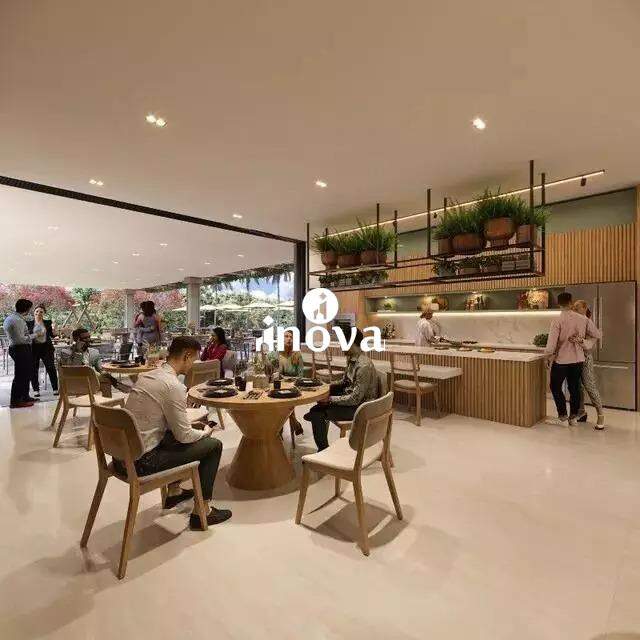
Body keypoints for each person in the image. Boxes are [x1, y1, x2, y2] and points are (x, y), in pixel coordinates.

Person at [123, 336, 231, 528]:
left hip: (122, 456)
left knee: (177, 435)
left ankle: (174, 492)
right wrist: (205, 432)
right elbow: (184, 436)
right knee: (213, 445)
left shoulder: (147, 376)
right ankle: (202, 512)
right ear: (186, 356)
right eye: (194, 359)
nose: (193, 364)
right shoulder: (173, 386)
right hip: (142, 462)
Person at [304, 328, 379, 451]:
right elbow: (345, 382)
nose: (340, 346)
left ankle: (323, 450)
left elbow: (355, 399)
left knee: (317, 413)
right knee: (317, 408)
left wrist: (330, 399)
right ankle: (322, 441)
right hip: (353, 402)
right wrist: (326, 386)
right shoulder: (352, 359)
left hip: (361, 408)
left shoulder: (363, 366)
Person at [544, 292, 601, 426]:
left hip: (561, 360)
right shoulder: (583, 319)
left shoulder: (557, 321)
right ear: (571, 302)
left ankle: (563, 416)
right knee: (574, 388)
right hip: (577, 360)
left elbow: (551, 345)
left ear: (558, 304)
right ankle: (573, 418)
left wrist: (547, 357)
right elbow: (597, 334)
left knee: (555, 386)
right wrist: (583, 341)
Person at [58, 327, 124, 396]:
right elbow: (72, 370)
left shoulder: (94, 352)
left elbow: (100, 369)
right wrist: (78, 351)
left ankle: (107, 400)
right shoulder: (66, 353)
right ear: (76, 340)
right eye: (85, 338)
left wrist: (105, 373)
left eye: (89, 337)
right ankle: (119, 385)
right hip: (73, 382)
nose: (88, 340)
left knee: (106, 379)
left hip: (91, 380)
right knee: (104, 377)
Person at [572, 300, 605, 429]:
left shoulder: (587, 321)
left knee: (590, 386)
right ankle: (581, 413)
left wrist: (581, 341)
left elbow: (595, 337)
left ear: (584, 308)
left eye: (577, 307)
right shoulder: (576, 321)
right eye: (574, 307)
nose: (574, 309)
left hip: (585, 358)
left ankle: (600, 415)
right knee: (577, 387)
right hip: (574, 358)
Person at [267, 329, 305, 435]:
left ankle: (279, 430)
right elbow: (271, 373)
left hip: (292, 387)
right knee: (283, 402)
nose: (289, 339)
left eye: (291, 337)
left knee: (284, 401)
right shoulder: (274, 354)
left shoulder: (297, 354)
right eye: (286, 336)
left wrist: (290, 380)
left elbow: (301, 375)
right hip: (277, 387)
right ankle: (294, 422)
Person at [3, 298, 37, 408]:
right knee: (21, 375)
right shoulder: (17, 320)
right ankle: (16, 401)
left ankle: (25, 396)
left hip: (18, 348)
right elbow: (20, 339)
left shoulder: (12, 318)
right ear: (27, 309)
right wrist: (35, 335)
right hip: (20, 348)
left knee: (26, 373)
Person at [26, 304, 59, 397]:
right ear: (34, 312)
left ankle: (55, 389)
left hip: (46, 348)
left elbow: (52, 335)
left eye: (41, 312)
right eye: (37, 311)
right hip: (34, 349)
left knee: (51, 368)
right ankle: (36, 390)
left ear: (44, 313)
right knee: (33, 369)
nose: (39, 313)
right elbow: (27, 336)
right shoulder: (28, 323)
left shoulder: (48, 322)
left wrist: (55, 329)